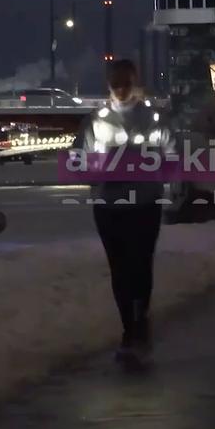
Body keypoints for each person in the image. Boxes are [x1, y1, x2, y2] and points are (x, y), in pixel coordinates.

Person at [75, 59, 172, 369]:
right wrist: (101, 172)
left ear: (135, 82)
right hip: (110, 206)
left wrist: (148, 169)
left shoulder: (153, 119)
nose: (120, 89)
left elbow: (172, 159)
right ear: (108, 84)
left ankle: (139, 325)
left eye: (125, 83)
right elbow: (79, 163)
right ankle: (130, 330)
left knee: (141, 266)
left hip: (144, 204)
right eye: (115, 83)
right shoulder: (95, 121)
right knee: (119, 270)